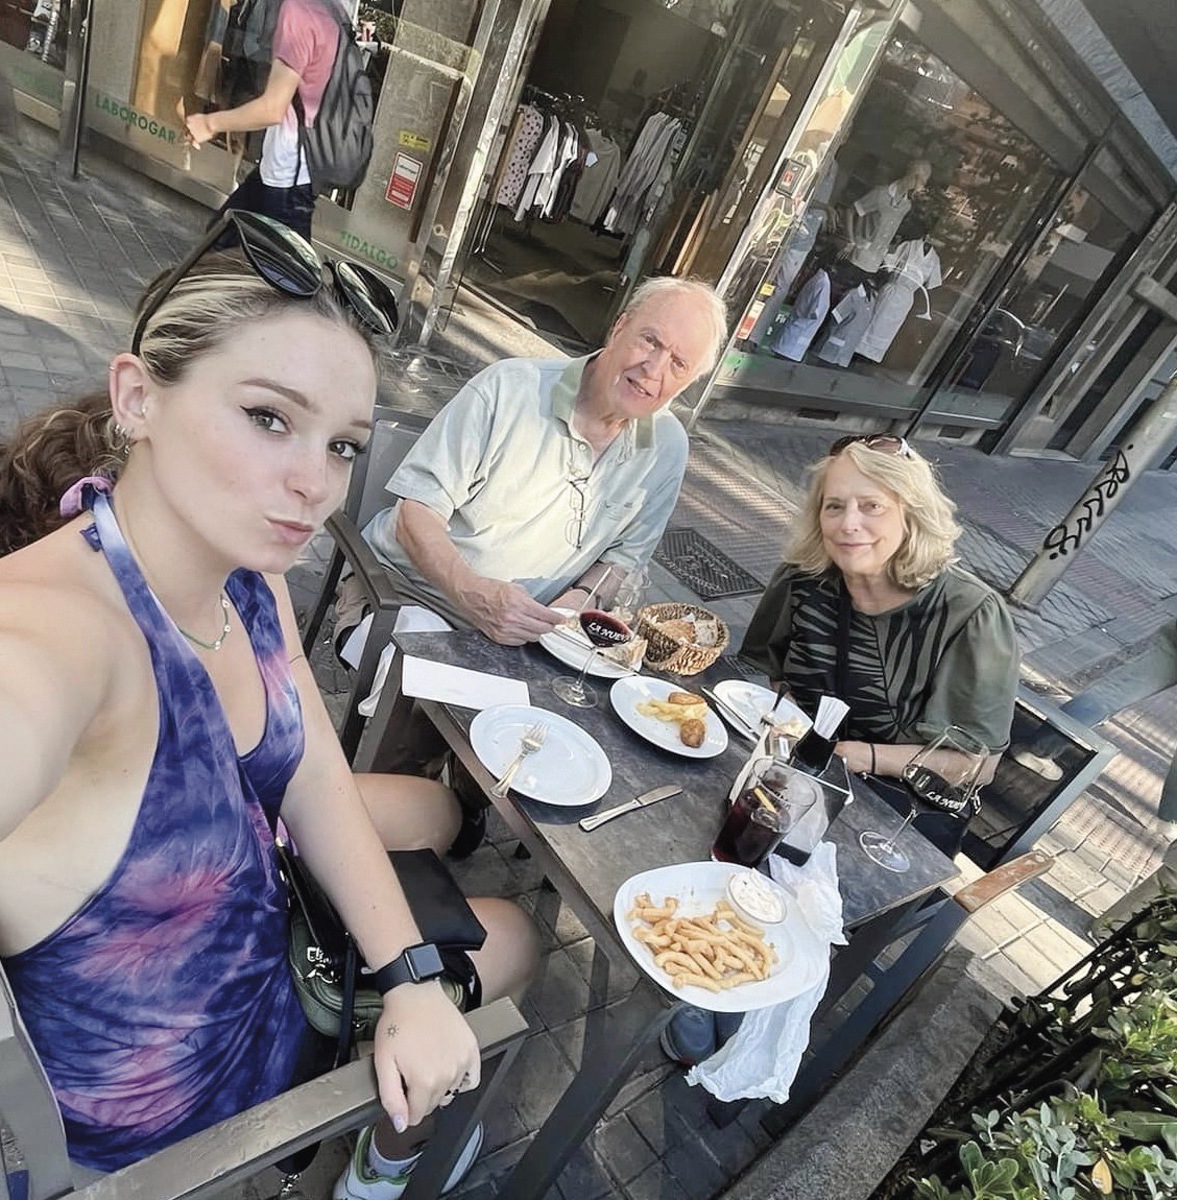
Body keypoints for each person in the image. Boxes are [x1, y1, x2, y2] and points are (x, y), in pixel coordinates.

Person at [0, 215, 539, 1199]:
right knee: (516, 934)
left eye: (342, 446)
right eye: (267, 417)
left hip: (250, 917)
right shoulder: (52, 642)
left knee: (441, 811)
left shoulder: (247, 581)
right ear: (137, 397)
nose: (314, 486)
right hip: (189, 1100)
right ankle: (381, 1167)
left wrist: (413, 977)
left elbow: (316, 775)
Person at [662, 432, 1019, 1066]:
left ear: (911, 513)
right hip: (794, 769)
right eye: (833, 505)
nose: (848, 524)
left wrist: (859, 756)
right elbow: (764, 670)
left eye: (872, 506)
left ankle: (744, 990)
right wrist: (779, 713)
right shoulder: (806, 578)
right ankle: (710, 965)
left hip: (897, 812)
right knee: (705, 812)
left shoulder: (970, 614)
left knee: (786, 875)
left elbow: (978, 764)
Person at [341, 277, 728, 650]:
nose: (654, 369)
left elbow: (621, 562)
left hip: (527, 636)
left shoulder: (667, 447)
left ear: (688, 382)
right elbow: (417, 513)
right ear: (619, 328)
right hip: (407, 596)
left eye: (679, 363)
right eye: (650, 341)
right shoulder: (509, 388)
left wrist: (574, 605)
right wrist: (474, 595)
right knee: (425, 702)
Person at [185, 0, 342, 239]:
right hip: (285, 171)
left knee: (276, 269)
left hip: (289, 179)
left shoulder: (301, 15)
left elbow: (272, 108)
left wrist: (209, 124)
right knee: (219, 239)